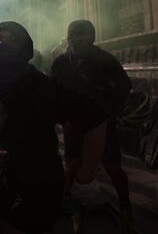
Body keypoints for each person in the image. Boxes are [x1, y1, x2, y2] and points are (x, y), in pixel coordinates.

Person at [0, 21, 108, 233]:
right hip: (7, 176)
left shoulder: (37, 85)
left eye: (8, 40)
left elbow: (96, 117)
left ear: (23, 48)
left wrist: (86, 175)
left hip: (40, 180)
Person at [51, 20, 133, 226]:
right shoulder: (60, 63)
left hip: (101, 122)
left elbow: (124, 86)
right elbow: (53, 92)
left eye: (83, 37)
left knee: (113, 166)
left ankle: (125, 207)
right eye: (74, 37)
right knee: (71, 167)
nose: (78, 42)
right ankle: (73, 206)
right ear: (69, 38)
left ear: (92, 38)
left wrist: (111, 110)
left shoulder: (105, 60)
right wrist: (61, 116)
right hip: (74, 124)